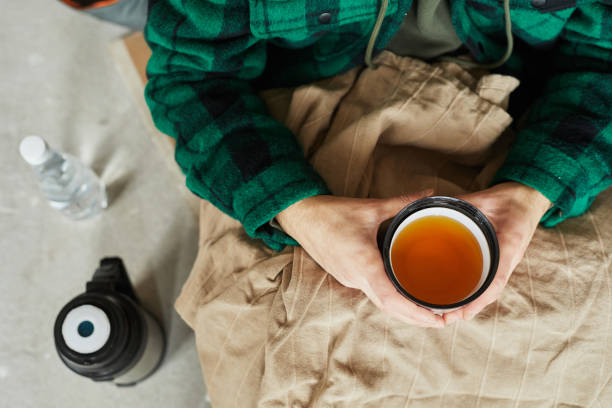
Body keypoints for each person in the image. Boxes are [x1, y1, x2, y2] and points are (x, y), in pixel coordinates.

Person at [143, 0, 612, 328]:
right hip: (297, 122)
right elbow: (190, 76)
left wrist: (536, 192)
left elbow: (603, 57)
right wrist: (296, 210)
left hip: (533, 117)